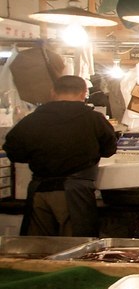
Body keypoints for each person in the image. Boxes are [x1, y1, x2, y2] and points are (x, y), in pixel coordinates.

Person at [3, 75, 118, 236]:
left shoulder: (32, 120)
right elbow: (109, 150)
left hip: (39, 191)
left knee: (37, 249)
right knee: (74, 249)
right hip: (75, 193)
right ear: (83, 93)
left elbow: (13, 150)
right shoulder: (94, 119)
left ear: (53, 92)